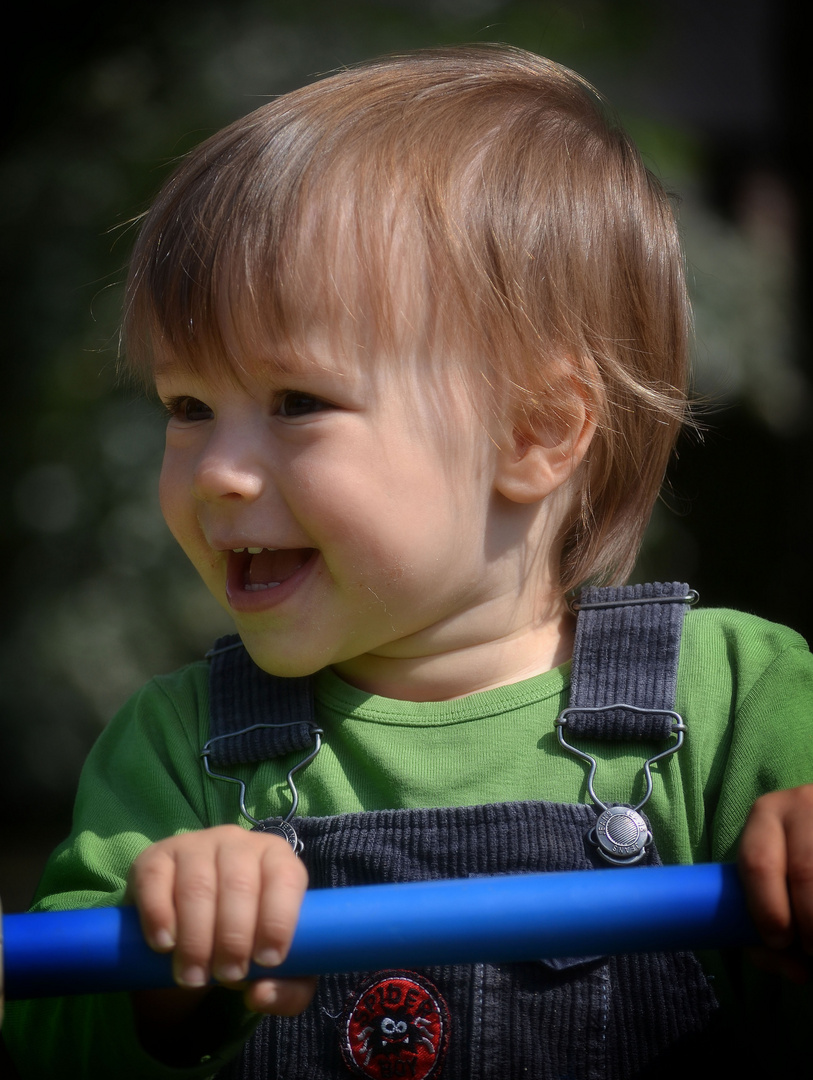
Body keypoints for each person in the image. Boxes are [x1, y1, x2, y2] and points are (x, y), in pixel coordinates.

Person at [5, 44, 813, 1079]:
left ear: (534, 432)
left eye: (297, 403)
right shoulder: (180, 752)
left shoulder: (740, 703)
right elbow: (44, 1039)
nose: (215, 472)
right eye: (187, 408)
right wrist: (160, 978)